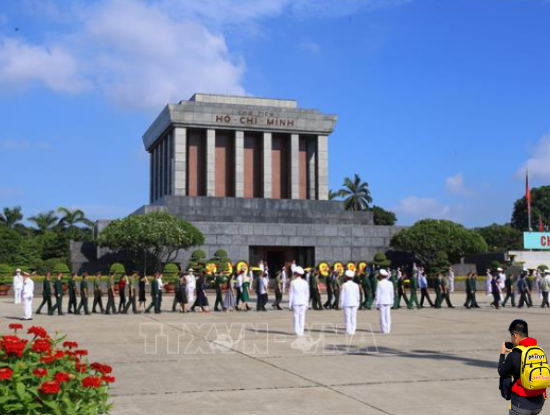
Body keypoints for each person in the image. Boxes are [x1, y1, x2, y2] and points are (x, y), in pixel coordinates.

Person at [498, 319, 547, 414]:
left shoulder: (514, 354)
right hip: (538, 404)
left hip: (521, 405)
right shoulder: (538, 350)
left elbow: (501, 371)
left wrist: (502, 354)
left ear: (515, 335)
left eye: (512, 336)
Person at [289, 266, 309, 336]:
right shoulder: (305, 283)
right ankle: (301, 331)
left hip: (295, 302)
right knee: (302, 317)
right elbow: (307, 294)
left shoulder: (292, 282)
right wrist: (307, 303)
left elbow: (291, 293)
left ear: (296, 274)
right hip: (303, 302)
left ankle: (296, 331)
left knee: (296, 317)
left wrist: (290, 304)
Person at [339, 270, 360, 335]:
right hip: (354, 302)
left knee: (347, 317)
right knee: (353, 317)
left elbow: (342, 295)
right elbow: (357, 295)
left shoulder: (344, 285)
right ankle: (353, 330)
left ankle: (348, 331)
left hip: (347, 303)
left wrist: (341, 304)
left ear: (346, 277)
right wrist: (358, 302)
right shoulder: (356, 285)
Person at [376, 269, 394, 334]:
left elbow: (378, 294)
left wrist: (376, 304)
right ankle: (388, 329)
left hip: (381, 301)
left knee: (382, 316)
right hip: (388, 301)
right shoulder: (390, 283)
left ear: (381, 276)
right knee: (388, 316)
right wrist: (392, 302)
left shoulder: (379, 283)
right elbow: (392, 293)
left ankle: (383, 330)